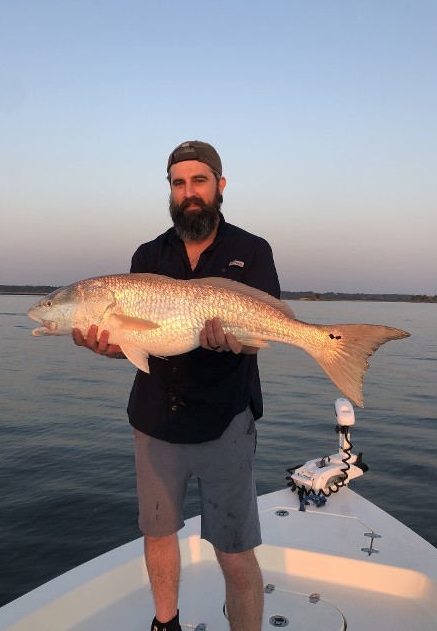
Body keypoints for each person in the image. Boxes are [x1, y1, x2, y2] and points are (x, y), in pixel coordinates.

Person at [73, 141, 281, 631]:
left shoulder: (252, 250)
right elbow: (135, 340)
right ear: (170, 190)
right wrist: (110, 344)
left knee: (234, 552)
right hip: (156, 420)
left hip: (226, 421)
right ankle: (166, 625)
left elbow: (265, 332)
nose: (189, 193)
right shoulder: (147, 255)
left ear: (220, 186)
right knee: (159, 535)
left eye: (199, 181)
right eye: (179, 183)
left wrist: (239, 342)